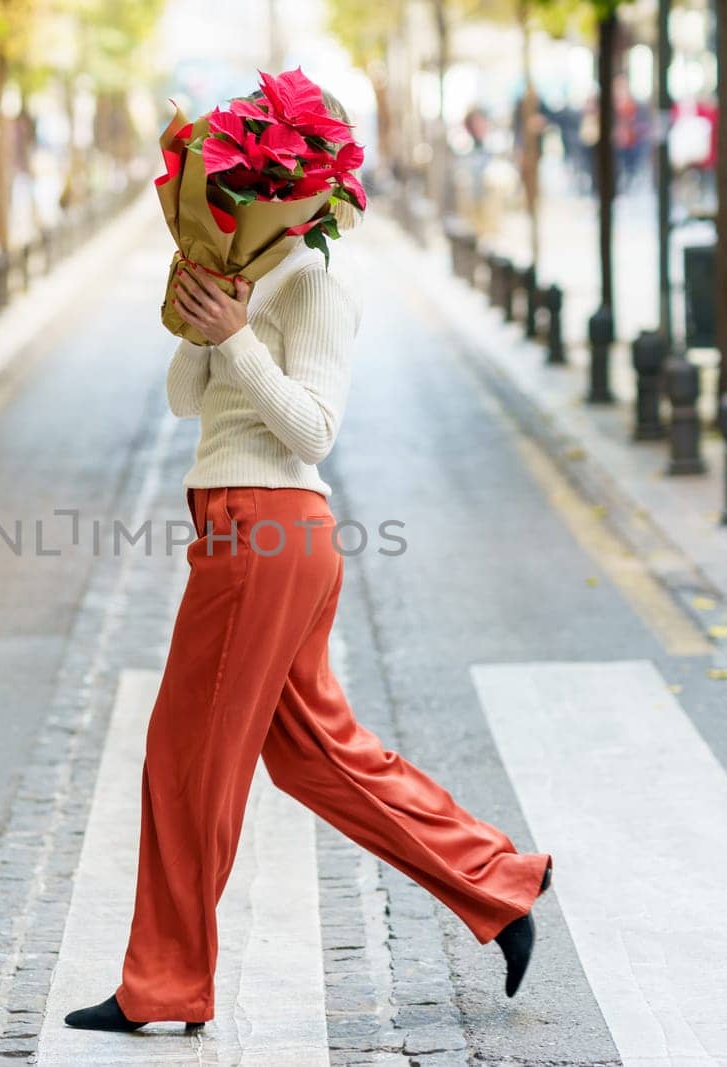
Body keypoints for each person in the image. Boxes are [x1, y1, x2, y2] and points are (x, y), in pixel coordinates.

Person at [64, 90, 554, 1034]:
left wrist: (239, 338)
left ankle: (163, 986)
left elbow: (314, 430)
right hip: (242, 528)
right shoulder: (245, 271)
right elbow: (182, 403)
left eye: (236, 189)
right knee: (317, 755)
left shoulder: (315, 283)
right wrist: (196, 310)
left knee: (183, 754)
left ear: (287, 191)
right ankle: (498, 882)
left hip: (269, 532)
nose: (225, 203)